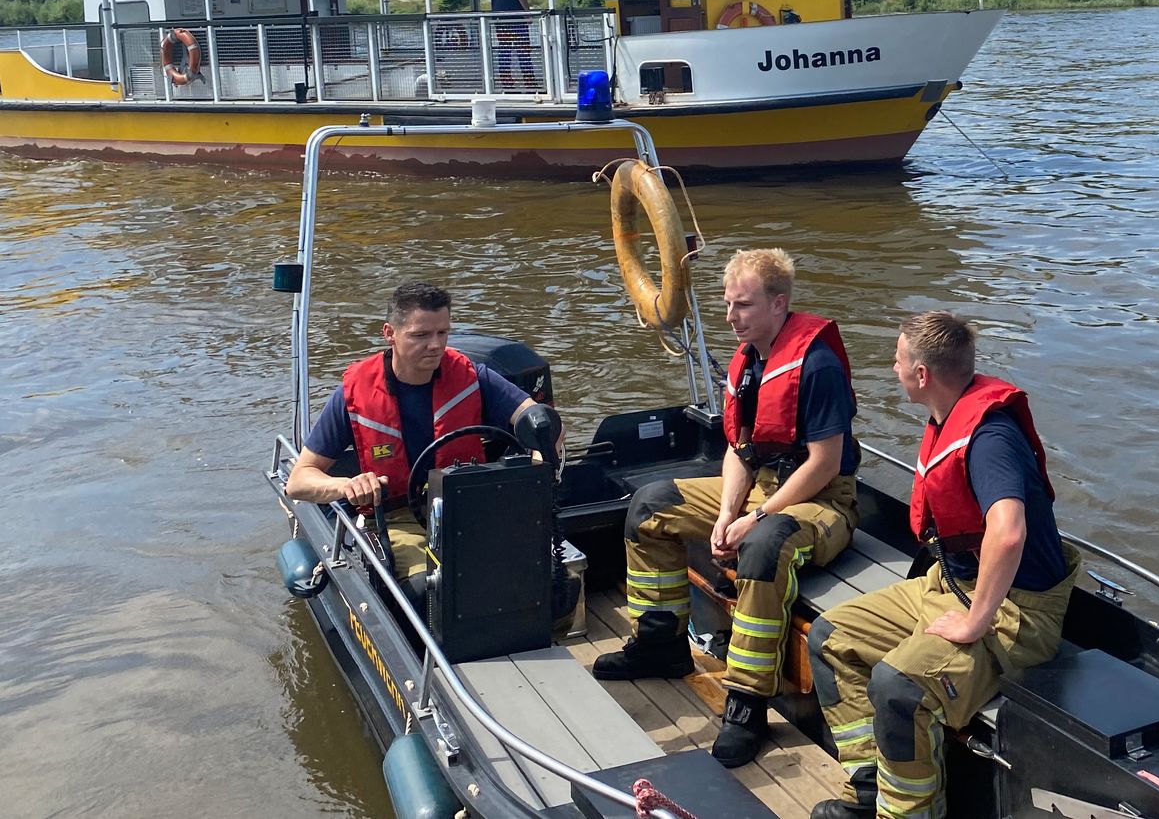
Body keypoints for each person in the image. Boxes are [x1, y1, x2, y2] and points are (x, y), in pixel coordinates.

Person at [593, 248, 862, 769]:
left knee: (764, 549)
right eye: (726, 303)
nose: (729, 316)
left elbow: (825, 464)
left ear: (779, 304)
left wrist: (755, 518)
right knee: (653, 505)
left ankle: (748, 703)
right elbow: (739, 448)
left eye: (742, 305)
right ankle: (659, 643)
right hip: (760, 484)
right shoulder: (749, 360)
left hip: (820, 501)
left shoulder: (818, 366)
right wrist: (724, 514)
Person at [805, 312, 1081, 819]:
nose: (893, 368)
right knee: (831, 639)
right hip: (949, 582)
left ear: (923, 374)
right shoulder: (948, 414)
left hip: (1014, 613)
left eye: (897, 360)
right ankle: (872, 789)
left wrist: (976, 620)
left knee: (899, 686)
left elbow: (1009, 530)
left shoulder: (990, 438)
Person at [284, 282, 560, 587]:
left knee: (534, 574)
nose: (436, 345)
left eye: (442, 333)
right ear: (389, 333)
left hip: (469, 505)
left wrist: (540, 455)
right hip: (397, 517)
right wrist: (347, 485)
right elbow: (298, 481)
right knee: (431, 588)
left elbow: (539, 419)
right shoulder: (353, 394)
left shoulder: (472, 376)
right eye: (421, 335)